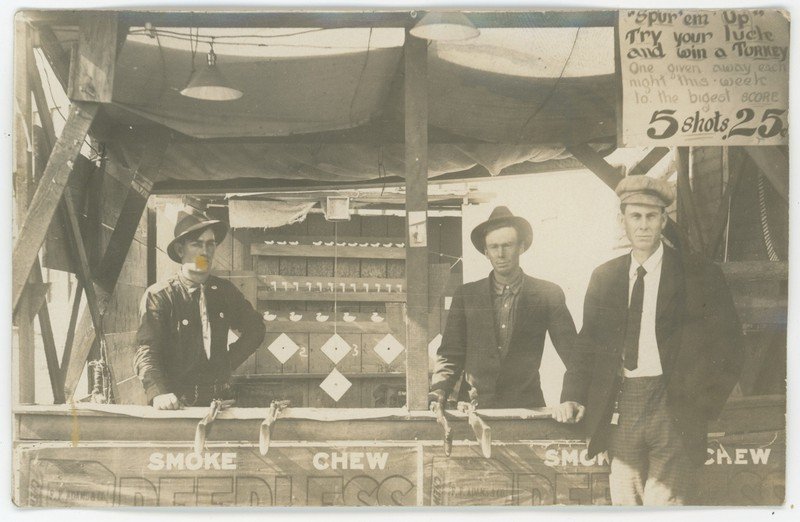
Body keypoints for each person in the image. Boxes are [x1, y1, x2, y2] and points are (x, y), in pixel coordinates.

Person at [554, 176, 744, 505]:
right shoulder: (606, 276)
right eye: (635, 217)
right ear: (622, 220)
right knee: (626, 500)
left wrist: (702, 404)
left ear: (664, 220)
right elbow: (588, 343)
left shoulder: (698, 274)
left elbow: (729, 345)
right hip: (623, 402)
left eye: (652, 216)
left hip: (674, 403)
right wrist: (571, 394)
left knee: (667, 503)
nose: (643, 226)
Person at [429, 206, 577, 409]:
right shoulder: (466, 295)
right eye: (493, 247)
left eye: (507, 245)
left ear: (521, 247)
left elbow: (574, 356)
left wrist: (572, 398)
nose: (500, 254)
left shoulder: (547, 294)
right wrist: (439, 390)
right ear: (486, 252)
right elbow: (449, 354)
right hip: (474, 408)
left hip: (526, 409)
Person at [134, 206, 265, 409]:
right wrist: (159, 393)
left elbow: (256, 328)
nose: (205, 251)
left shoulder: (225, 292)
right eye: (197, 244)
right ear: (180, 250)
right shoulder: (159, 296)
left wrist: (227, 362)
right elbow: (146, 351)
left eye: (210, 244)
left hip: (221, 402)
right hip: (176, 404)